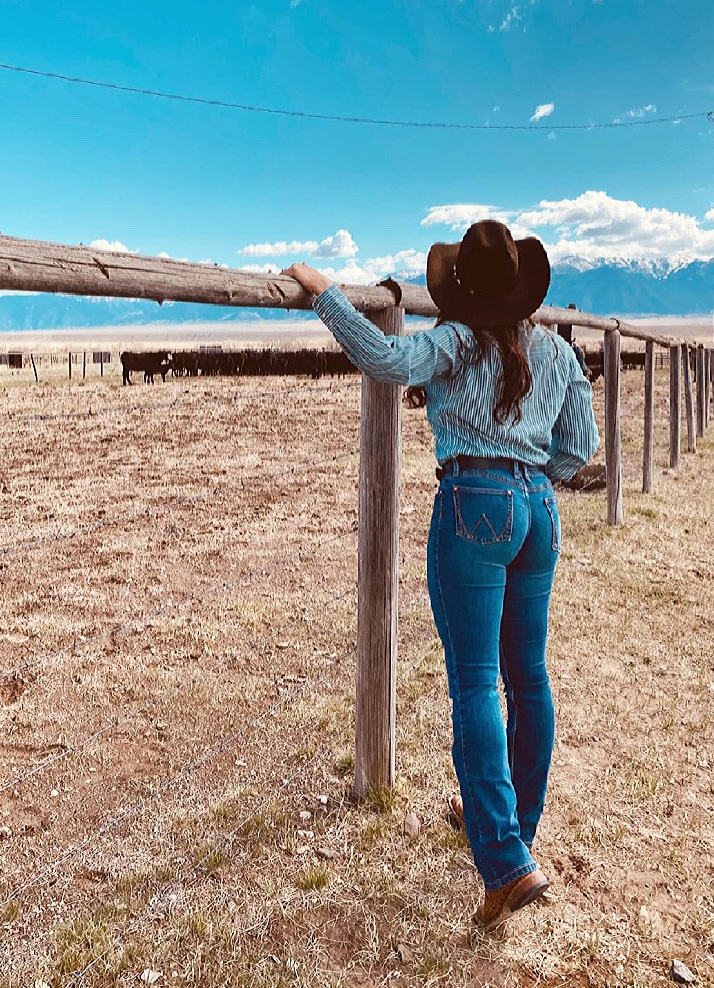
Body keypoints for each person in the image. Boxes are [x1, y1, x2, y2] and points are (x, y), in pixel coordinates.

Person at [282, 219, 599, 931]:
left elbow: (388, 362)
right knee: (530, 677)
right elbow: (582, 446)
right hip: (539, 511)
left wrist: (325, 292)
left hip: (473, 506)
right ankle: (512, 827)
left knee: (476, 682)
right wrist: (528, 481)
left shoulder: (458, 341)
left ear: (463, 290)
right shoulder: (554, 349)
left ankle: (506, 863)